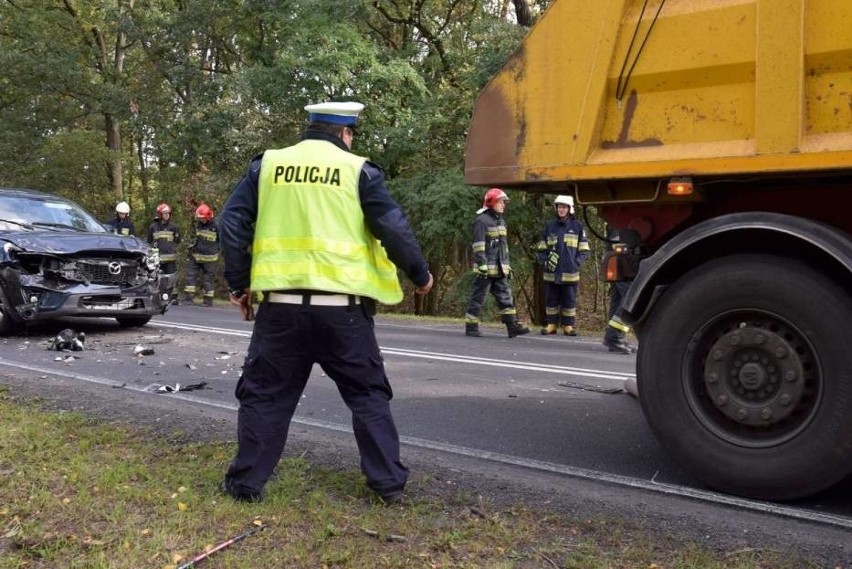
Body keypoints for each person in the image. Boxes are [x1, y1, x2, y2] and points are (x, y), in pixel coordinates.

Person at [218, 100, 433, 504]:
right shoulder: (358, 171)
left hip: (280, 309)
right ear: (346, 133)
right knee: (367, 395)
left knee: (265, 395)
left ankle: (245, 486)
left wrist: (239, 283)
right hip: (344, 313)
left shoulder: (267, 166)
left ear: (310, 128)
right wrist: (420, 275)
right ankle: (388, 487)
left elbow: (231, 222)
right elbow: (392, 226)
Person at [464, 188, 530, 338]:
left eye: (504, 203)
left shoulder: (500, 220)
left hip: (500, 270)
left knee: (506, 298)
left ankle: (512, 327)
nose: (503, 205)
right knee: (478, 298)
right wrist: (481, 264)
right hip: (485, 270)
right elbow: (478, 245)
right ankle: (471, 327)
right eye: (501, 202)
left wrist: (507, 266)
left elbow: (503, 248)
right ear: (491, 202)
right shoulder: (482, 221)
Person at [535, 195, 590, 336]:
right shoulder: (549, 226)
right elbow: (541, 248)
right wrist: (545, 261)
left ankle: (568, 326)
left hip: (570, 273)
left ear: (570, 209)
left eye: (564, 207)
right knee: (551, 299)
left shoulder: (577, 227)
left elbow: (584, 250)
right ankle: (551, 324)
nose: (561, 209)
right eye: (559, 206)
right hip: (551, 273)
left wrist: (576, 262)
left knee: (569, 300)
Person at [602, 226, 635, 354]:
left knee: (618, 301)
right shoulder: (622, 223)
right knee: (630, 299)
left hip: (618, 264)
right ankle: (614, 337)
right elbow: (619, 243)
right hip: (621, 264)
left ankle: (617, 338)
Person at [182, 203, 219, 307]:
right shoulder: (199, 224)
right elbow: (196, 238)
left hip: (210, 259)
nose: (200, 219)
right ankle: (188, 299)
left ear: (207, 216)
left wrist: (216, 250)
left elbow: (222, 241)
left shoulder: (216, 225)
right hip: (196, 255)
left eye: (202, 218)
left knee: (208, 280)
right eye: (199, 218)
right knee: (190, 277)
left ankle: (208, 301)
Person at [146, 202, 181, 275]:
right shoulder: (153, 227)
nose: (167, 215)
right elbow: (149, 242)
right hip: (157, 260)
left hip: (170, 261)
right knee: (157, 280)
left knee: (170, 280)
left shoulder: (174, 227)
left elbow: (177, 241)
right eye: (165, 213)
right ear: (160, 214)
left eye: (168, 213)